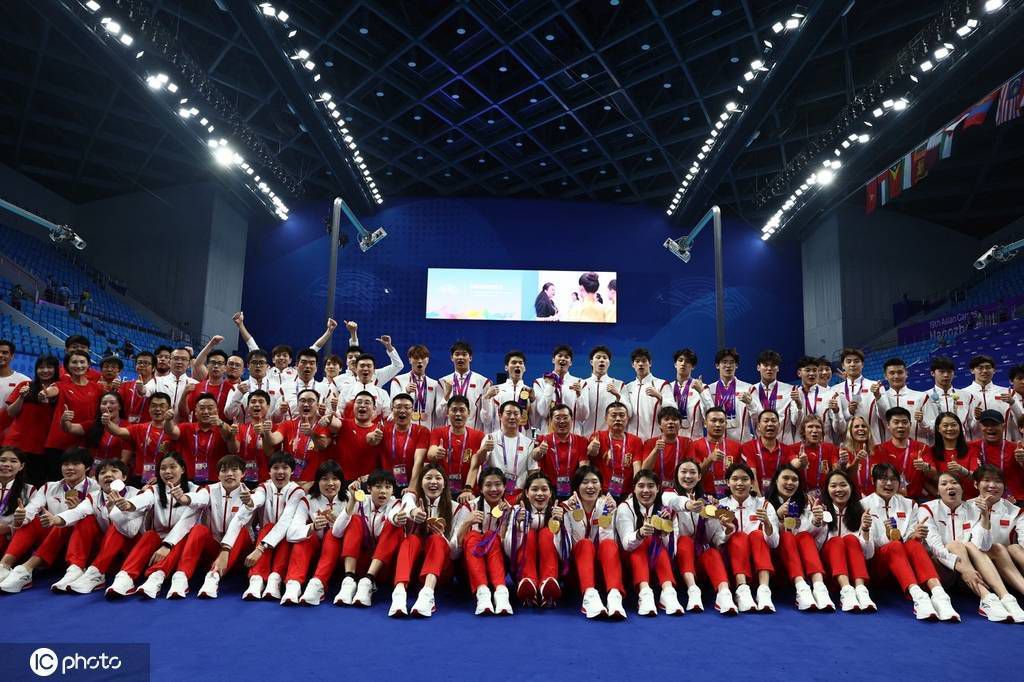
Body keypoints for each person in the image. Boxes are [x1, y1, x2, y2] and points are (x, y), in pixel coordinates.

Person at [918, 472, 1024, 622]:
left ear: (963, 489)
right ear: (937, 490)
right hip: (940, 571)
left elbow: (982, 545)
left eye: (954, 483)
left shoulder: (972, 508)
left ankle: (1006, 598)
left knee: (984, 546)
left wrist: (985, 518)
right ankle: (986, 596)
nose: (950, 487)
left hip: (968, 576)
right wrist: (964, 568)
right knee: (956, 545)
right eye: (944, 484)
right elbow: (935, 547)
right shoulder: (927, 508)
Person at [861, 463, 960, 621]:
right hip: (878, 568)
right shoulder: (863, 505)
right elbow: (866, 552)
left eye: (893, 479)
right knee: (894, 545)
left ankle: (939, 595)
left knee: (913, 544)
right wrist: (887, 537)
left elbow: (909, 541)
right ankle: (919, 597)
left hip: (905, 567)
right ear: (874, 481)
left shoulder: (909, 504)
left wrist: (916, 536)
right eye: (883, 479)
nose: (888, 484)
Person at [0, 447, 99, 592]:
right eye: (65, 464)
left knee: (73, 520)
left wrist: (72, 513)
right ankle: (4, 566)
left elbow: (100, 521)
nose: (69, 468)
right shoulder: (49, 487)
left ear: (88, 467)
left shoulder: (96, 488)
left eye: (76, 464)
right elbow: (32, 508)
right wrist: (21, 517)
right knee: (33, 520)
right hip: (52, 545)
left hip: (84, 544)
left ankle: (26, 569)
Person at [103, 451, 199, 599]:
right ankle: (125, 577)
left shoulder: (196, 490)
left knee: (186, 533)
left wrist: (167, 545)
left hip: (182, 544)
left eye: (173, 467)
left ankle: (155, 578)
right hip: (158, 544)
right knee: (149, 535)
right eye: (163, 468)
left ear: (183, 469)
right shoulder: (153, 490)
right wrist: (127, 504)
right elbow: (142, 500)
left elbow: (188, 519)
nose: (167, 471)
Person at [47, 459, 140, 594]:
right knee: (85, 519)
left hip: (128, 549)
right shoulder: (93, 496)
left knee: (118, 523)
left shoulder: (137, 495)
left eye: (114, 471)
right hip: (103, 550)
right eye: (103, 473)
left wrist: (115, 512)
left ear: (124, 477)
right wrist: (56, 519)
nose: (108, 475)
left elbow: (132, 532)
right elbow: (77, 511)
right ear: (97, 480)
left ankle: (97, 572)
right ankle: (75, 569)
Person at [660, 458, 735, 614]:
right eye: (684, 472)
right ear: (676, 475)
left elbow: (716, 538)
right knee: (685, 541)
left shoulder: (708, 500)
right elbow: (675, 502)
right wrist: (689, 505)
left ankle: (724, 593)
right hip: (677, 559)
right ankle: (693, 590)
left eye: (693, 472)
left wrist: (727, 530)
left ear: (700, 476)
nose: (688, 476)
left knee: (711, 551)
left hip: (700, 560)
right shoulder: (668, 494)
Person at [387, 463, 456, 617]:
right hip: (413, 570)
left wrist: (442, 536)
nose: (433, 482)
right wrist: (410, 514)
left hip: (440, 572)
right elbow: (393, 514)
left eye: (438, 478)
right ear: (420, 483)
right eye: (428, 478)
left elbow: (456, 554)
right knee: (411, 539)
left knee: (437, 540)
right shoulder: (411, 500)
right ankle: (399, 593)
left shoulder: (456, 508)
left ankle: (427, 595)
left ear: (445, 484)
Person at [764, 464, 835, 611]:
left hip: (802, 562)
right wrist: (777, 516)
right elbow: (765, 539)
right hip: (775, 563)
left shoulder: (805, 503)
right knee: (787, 537)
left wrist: (816, 521)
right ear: (776, 480)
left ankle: (818, 587)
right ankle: (801, 588)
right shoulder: (764, 502)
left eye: (794, 479)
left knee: (804, 536)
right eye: (785, 478)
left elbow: (815, 536)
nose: (790, 483)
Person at [615, 468, 684, 616]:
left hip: (658, 561)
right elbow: (626, 544)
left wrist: (665, 532)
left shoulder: (666, 511)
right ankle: (645, 592)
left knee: (655, 539)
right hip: (630, 559)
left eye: (651, 486)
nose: (646, 490)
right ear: (633, 489)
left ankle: (668, 592)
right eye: (641, 486)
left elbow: (673, 551)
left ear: (658, 489)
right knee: (646, 540)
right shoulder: (625, 508)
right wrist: (640, 534)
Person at [281, 460, 349, 605]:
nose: (330, 483)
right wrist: (312, 527)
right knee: (305, 537)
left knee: (332, 535)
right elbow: (291, 534)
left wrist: (339, 523)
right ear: (316, 482)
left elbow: (357, 534)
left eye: (335, 479)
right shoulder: (308, 500)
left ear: (341, 481)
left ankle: (318, 584)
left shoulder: (350, 500)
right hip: (314, 555)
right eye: (324, 479)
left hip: (342, 557)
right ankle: (293, 584)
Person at [240, 452, 306, 601]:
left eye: (285, 467)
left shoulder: (297, 491)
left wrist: (260, 548)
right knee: (268, 527)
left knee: (286, 532)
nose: (280, 471)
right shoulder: (264, 487)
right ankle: (256, 580)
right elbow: (257, 499)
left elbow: (285, 521)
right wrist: (250, 502)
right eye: (275, 467)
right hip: (265, 538)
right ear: (269, 471)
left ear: (292, 471)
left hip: (283, 541)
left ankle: (275, 580)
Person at [563, 465, 626, 619]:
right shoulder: (566, 507)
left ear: (601, 485)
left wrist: (610, 512)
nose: (590, 486)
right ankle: (589, 596)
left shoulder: (608, 506)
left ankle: (614, 595)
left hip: (604, 570)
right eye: (585, 482)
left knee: (610, 544)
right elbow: (566, 547)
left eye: (594, 482)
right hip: (577, 570)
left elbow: (609, 541)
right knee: (585, 543)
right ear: (577, 486)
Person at [333, 469, 401, 607]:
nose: (383, 491)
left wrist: (396, 518)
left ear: (393, 491)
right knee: (355, 520)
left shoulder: (396, 504)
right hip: (360, 562)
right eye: (378, 487)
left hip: (383, 566)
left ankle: (368, 581)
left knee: (393, 526)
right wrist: (352, 500)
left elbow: (394, 517)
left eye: (388, 487)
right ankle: (348, 580)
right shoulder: (360, 501)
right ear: (369, 488)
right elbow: (336, 532)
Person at [452, 466, 513, 615]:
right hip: (468, 569)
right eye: (488, 485)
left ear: (505, 487)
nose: (493, 489)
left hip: (497, 568)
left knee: (491, 536)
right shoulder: (468, 507)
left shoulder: (510, 509)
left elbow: (510, 550)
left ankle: (501, 593)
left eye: (498, 484)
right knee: (473, 536)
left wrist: (503, 524)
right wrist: (467, 523)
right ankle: (483, 593)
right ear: (480, 488)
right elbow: (453, 552)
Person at [718, 462, 778, 612]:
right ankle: (742, 589)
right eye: (735, 479)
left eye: (745, 479)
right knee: (739, 536)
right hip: (732, 562)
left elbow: (774, 543)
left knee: (757, 534)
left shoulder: (764, 505)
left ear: (752, 483)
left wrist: (768, 524)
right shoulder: (720, 506)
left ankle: (764, 590)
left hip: (759, 561)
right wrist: (728, 531)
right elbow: (715, 541)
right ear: (727, 482)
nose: (740, 483)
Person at [815, 469, 877, 612]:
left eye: (843, 485)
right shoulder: (819, 510)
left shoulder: (863, 512)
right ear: (827, 489)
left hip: (855, 571)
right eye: (833, 486)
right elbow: (815, 547)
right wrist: (818, 523)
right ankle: (846, 591)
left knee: (850, 538)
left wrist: (866, 529)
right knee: (836, 541)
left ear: (851, 487)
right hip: (829, 571)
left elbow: (868, 554)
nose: (838, 489)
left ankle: (861, 590)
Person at [504, 470, 565, 608]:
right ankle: (528, 581)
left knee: (546, 533)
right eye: (534, 489)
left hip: (552, 569)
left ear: (550, 493)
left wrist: (559, 527)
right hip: (522, 568)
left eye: (544, 489)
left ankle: (547, 583)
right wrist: (518, 528)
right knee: (529, 534)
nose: (539, 494)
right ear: (526, 493)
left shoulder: (559, 511)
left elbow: (565, 554)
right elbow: (508, 551)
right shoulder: (516, 511)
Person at [42, 351, 103, 480]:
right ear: (67, 365)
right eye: (74, 362)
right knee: (55, 484)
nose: (78, 365)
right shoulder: (60, 385)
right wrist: (44, 393)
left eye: (82, 362)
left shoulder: (97, 388)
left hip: (84, 444)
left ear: (88, 365)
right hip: (59, 444)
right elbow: (51, 391)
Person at [971, 465, 1024, 604]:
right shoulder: (965, 508)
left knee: (1015, 548)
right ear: (976, 484)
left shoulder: (1015, 511)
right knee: (995, 547)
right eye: (987, 480)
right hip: (977, 566)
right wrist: (984, 515)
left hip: (1009, 567)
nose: (992, 485)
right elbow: (981, 546)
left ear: (1004, 486)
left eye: (998, 481)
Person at [3, 356, 59, 486]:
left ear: (56, 370)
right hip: (16, 444)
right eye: (41, 367)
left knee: (33, 485)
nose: (45, 370)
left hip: (41, 448)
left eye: (49, 367)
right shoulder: (25, 385)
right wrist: (22, 397)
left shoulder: (60, 392)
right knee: (8, 483)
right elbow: (11, 412)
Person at [421, 396, 484, 500]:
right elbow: (431, 453)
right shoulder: (437, 432)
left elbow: (475, 465)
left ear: (469, 412)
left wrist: (468, 489)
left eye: (462, 410)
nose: (458, 414)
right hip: (442, 490)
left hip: (468, 490)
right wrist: (436, 453)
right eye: (454, 410)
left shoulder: (479, 436)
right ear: (447, 412)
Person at [470, 401, 538, 498]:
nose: (512, 417)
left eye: (516, 414)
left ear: (521, 416)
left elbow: (532, 472)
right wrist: (484, 449)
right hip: (494, 492)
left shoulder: (529, 442)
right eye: (508, 413)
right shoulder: (490, 438)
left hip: (518, 494)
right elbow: (479, 461)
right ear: (500, 415)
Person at [104, 392, 174, 485]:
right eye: (153, 406)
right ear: (148, 408)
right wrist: (107, 421)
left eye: (162, 406)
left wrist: (162, 476)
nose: (157, 409)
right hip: (139, 478)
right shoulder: (139, 428)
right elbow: (118, 431)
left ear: (169, 409)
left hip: (164, 479)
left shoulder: (174, 431)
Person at [874, 406, 936, 501]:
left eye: (904, 422)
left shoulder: (922, 448)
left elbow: (934, 475)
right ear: (888, 425)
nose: (900, 426)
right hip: (888, 499)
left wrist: (925, 467)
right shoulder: (879, 449)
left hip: (916, 499)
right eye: (896, 422)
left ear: (910, 424)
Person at [585, 402, 642, 500]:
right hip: (601, 493)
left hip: (627, 494)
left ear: (627, 418)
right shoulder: (597, 436)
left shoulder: (635, 441)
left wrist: (635, 491)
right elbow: (590, 456)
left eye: (622, 415)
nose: (618, 419)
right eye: (614, 415)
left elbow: (637, 468)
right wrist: (591, 449)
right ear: (606, 418)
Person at [530, 403, 588, 499]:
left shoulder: (581, 441)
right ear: (550, 421)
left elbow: (584, 467)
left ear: (572, 420)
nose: (561, 421)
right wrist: (539, 450)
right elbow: (535, 456)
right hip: (548, 491)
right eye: (557, 418)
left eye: (565, 417)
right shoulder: (542, 439)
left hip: (573, 491)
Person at [699, 348, 758, 443]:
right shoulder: (709, 389)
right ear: (717, 366)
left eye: (732, 362)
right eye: (724, 362)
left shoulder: (748, 388)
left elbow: (758, 417)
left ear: (736, 365)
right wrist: (702, 393)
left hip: (742, 443)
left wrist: (751, 404)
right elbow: (705, 416)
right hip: (717, 443)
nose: (728, 366)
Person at [871, 358, 930, 443]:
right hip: (889, 451)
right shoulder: (879, 398)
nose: (896, 376)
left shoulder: (922, 397)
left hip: (917, 451)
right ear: (885, 376)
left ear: (906, 374)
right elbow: (884, 417)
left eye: (900, 372)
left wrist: (922, 421)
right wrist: (878, 396)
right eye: (892, 373)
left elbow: (931, 428)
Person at [969, 410, 1024, 501]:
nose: (990, 428)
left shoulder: (1017, 449)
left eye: (994, 424)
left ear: (1003, 426)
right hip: (981, 500)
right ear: (980, 426)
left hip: (1014, 500)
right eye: (986, 425)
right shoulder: (970, 447)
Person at [438, 340, 493, 432]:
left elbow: (487, 419)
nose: (460, 357)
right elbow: (439, 415)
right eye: (457, 354)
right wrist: (446, 395)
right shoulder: (442, 382)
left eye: (464, 354)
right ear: (452, 358)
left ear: (470, 358)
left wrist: (486, 398)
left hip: (474, 436)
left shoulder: (484, 382)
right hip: (450, 436)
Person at [389, 345, 447, 430]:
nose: (420, 361)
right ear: (410, 360)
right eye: (416, 358)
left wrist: (446, 396)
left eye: (423, 358)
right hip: (405, 431)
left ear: (427, 360)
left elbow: (439, 414)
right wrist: (405, 392)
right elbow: (392, 406)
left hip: (427, 430)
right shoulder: (398, 380)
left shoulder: (435, 384)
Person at [533, 345, 587, 433]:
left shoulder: (580, 383)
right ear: (553, 360)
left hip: (572, 434)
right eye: (560, 356)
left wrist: (579, 396)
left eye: (567, 357)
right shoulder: (540, 382)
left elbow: (583, 416)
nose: (563, 359)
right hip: (548, 434)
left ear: (570, 363)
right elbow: (543, 412)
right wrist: (549, 386)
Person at [751, 350, 801, 445]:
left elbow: (796, 421)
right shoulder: (751, 390)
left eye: (773, 365)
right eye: (765, 365)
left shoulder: (790, 390)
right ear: (758, 367)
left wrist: (799, 404)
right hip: (760, 447)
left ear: (778, 368)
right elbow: (753, 419)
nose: (769, 368)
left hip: (785, 445)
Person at [793, 356, 845, 445]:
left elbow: (840, 429)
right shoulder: (794, 394)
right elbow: (795, 423)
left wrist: (836, 412)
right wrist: (798, 405)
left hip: (825, 448)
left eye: (814, 370)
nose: (812, 373)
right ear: (799, 373)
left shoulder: (830, 394)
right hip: (800, 447)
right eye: (808, 370)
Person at [576, 346, 625, 437]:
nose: (601, 360)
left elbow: (628, 412)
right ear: (591, 362)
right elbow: (578, 415)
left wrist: (618, 396)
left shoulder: (619, 384)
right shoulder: (581, 384)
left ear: (609, 363)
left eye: (605, 358)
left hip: (609, 437)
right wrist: (578, 395)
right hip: (585, 436)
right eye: (598, 357)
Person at [694, 406, 742, 498]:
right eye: (713, 420)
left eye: (721, 421)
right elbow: (694, 475)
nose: (717, 424)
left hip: (730, 496)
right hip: (703, 496)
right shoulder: (694, 445)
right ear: (705, 423)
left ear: (726, 424)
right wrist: (709, 460)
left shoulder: (736, 446)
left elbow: (740, 474)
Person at [659, 348, 707, 440]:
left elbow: (709, 414)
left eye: (687, 361)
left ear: (693, 366)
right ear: (675, 364)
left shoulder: (701, 387)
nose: (683, 363)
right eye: (680, 360)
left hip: (694, 441)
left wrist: (701, 392)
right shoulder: (667, 387)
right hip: (672, 442)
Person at [482, 351, 536, 433]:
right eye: (514, 363)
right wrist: (486, 398)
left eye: (520, 363)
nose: (517, 365)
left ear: (524, 368)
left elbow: (535, 422)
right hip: (500, 439)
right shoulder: (496, 390)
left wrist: (533, 402)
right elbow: (486, 420)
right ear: (506, 367)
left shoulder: (529, 391)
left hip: (523, 439)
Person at [639, 406, 691, 490]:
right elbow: (644, 470)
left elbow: (691, 469)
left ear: (680, 425)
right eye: (666, 419)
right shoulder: (649, 443)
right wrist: (655, 450)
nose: (670, 422)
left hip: (679, 489)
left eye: (674, 419)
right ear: (659, 425)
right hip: (655, 489)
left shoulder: (687, 442)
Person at [931, 412, 979, 499]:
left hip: (970, 500)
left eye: (953, 425)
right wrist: (939, 495)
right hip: (942, 502)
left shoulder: (972, 449)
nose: (950, 428)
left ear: (960, 427)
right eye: (945, 425)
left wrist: (961, 470)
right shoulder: (931, 451)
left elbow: (977, 477)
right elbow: (926, 480)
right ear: (938, 428)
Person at [622, 348, 667, 441]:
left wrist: (659, 397)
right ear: (633, 365)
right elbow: (626, 414)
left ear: (650, 363)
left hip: (654, 439)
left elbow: (672, 408)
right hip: (632, 440)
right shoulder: (627, 387)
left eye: (644, 361)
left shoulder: (662, 384)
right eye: (637, 361)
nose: (640, 364)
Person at [959, 354, 1007, 439]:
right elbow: (961, 424)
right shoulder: (962, 393)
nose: (984, 371)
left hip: (1001, 443)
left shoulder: (1006, 392)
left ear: (994, 370)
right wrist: (976, 418)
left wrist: (1013, 403)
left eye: (988, 367)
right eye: (980, 368)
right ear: (972, 370)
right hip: (974, 445)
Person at [741, 409, 788, 495]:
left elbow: (795, 465)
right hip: (757, 498)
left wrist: (802, 462)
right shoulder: (748, 447)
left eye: (774, 421)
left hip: (779, 498)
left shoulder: (786, 449)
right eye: (766, 421)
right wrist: (760, 502)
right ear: (758, 426)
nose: (770, 424)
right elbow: (752, 476)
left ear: (779, 425)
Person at [789, 415, 837, 497]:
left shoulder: (830, 448)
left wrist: (842, 462)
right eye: (810, 427)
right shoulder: (792, 448)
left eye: (818, 427)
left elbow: (836, 470)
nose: (814, 430)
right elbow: (792, 467)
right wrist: (800, 463)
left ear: (822, 431)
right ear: (803, 431)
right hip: (799, 496)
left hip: (825, 496)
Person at [0, 448, 33, 557]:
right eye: (3, 460)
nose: (7, 464)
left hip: (11, 539)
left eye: (13, 461)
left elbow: (31, 522)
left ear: (21, 466)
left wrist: (8, 528)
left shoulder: (29, 490)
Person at [0, 340, 29, 439]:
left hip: (9, 436)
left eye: (5, 352)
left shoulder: (24, 381)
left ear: (12, 356)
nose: (0, 355)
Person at [119, 352, 155, 424]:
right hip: (126, 428)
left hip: (148, 429)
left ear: (153, 368)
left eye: (146, 363)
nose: (142, 365)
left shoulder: (158, 386)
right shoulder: (125, 386)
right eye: (139, 363)